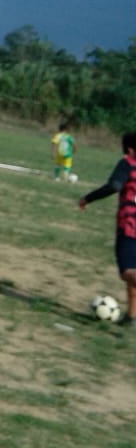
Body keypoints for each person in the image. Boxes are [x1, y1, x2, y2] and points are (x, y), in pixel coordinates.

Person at [78, 131, 136, 326]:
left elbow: (114, 186)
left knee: (126, 271)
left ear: (129, 149)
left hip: (130, 225)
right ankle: (130, 317)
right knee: (133, 272)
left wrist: (88, 198)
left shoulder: (127, 163)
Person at [51, 116, 76, 182]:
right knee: (67, 166)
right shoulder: (68, 136)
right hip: (67, 154)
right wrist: (74, 150)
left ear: (59, 129)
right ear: (65, 129)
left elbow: (54, 143)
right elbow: (74, 144)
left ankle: (56, 177)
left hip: (60, 153)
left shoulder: (57, 135)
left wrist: (53, 152)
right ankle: (65, 178)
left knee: (58, 165)